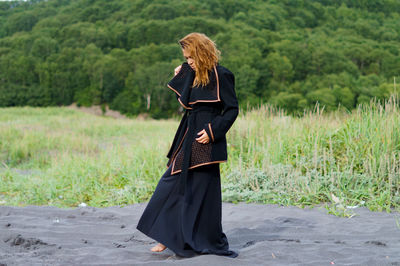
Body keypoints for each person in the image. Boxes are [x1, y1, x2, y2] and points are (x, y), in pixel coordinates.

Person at [136, 32, 239, 258]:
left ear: (201, 53)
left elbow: (232, 110)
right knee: (171, 183)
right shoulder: (191, 73)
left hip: (206, 140)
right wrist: (182, 75)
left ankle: (190, 239)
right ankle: (167, 237)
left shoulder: (223, 75)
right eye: (186, 57)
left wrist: (213, 132)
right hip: (187, 134)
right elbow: (186, 104)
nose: (188, 61)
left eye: (191, 57)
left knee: (200, 192)